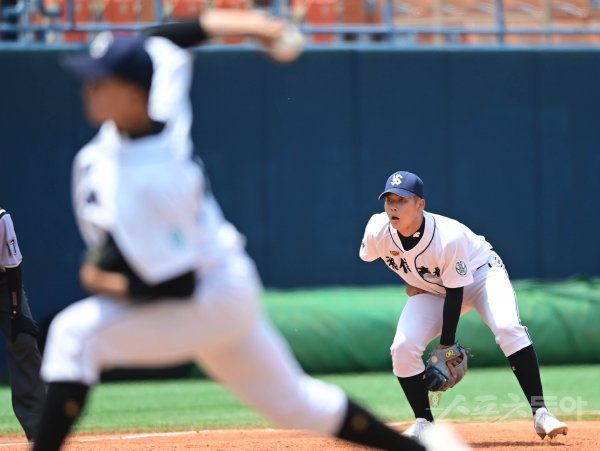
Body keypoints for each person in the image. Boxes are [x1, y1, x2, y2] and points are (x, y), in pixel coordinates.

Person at [32, 11, 470, 451]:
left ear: (130, 94)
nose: (89, 88)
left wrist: (101, 278)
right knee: (297, 403)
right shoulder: (159, 100)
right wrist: (256, 24)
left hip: (204, 297)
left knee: (73, 335)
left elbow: (176, 285)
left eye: (100, 82)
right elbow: (165, 37)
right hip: (225, 279)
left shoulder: (154, 178)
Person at [359, 170, 569, 441]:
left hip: (481, 276)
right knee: (402, 347)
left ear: (420, 204)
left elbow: (455, 292)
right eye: (389, 200)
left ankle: (541, 412)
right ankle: (424, 422)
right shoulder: (377, 229)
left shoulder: (447, 236)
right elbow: (385, 256)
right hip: (434, 288)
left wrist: (446, 345)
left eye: (402, 200)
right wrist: (412, 280)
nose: (393, 206)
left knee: (507, 328)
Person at [0, 207, 46, 441]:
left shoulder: (1, 218)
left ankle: (38, 428)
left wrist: (17, 313)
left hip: (3, 284)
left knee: (24, 339)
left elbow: (13, 267)